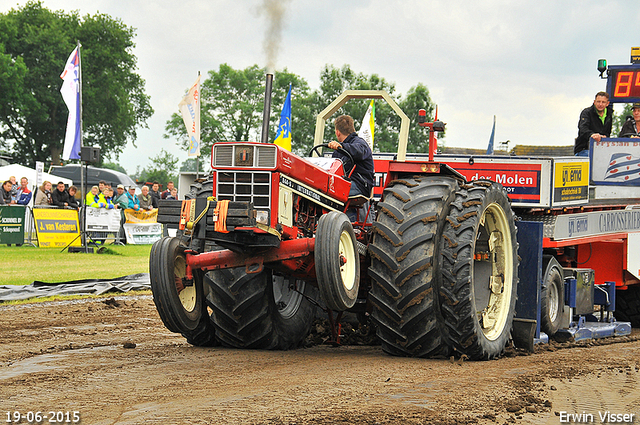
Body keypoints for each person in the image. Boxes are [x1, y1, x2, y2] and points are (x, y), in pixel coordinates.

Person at [328, 114, 375, 197]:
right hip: (343, 182)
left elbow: (359, 151)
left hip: (359, 185)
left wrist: (341, 146)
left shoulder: (360, 143)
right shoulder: (338, 151)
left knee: (330, 190)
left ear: (337, 132)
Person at [575, 91, 613, 156]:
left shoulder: (609, 115)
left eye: (603, 102)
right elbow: (583, 128)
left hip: (601, 149)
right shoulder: (586, 112)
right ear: (594, 102)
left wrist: (604, 137)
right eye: (598, 101)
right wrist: (592, 135)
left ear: (607, 103)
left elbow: (608, 132)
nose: (600, 104)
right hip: (585, 149)